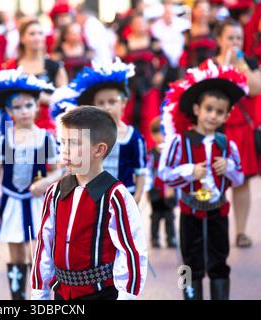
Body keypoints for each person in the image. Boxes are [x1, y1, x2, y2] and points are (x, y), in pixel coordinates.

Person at [31, 106, 148, 300]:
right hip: (61, 293)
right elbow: (44, 245)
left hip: (101, 294)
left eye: (74, 143)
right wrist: (39, 293)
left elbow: (131, 251)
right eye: (63, 142)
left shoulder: (116, 195)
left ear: (99, 149)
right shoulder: (54, 192)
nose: (65, 150)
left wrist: (127, 296)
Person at [159, 59, 247, 300]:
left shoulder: (228, 145)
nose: (213, 116)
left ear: (227, 115)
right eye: (208, 109)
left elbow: (239, 178)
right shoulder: (180, 141)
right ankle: (190, 295)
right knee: (189, 262)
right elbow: (164, 173)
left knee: (219, 259)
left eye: (219, 112)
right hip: (190, 210)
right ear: (197, 109)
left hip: (219, 211)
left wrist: (228, 167)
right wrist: (188, 171)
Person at [0, 69, 62, 300]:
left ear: (38, 106)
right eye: (17, 107)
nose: (24, 111)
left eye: (28, 105)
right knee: (16, 253)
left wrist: (46, 182)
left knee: (38, 253)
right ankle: (17, 298)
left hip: (37, 203)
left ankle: (40, 297)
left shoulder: (46, 138)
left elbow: (60, 170)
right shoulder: (2, 139)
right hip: (10, 202)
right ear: (8, 111)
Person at [67, 59, 148, 204]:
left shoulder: (133, 137)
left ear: (123, 103)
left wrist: (137, 198)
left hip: (123, 197)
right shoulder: (86, 134)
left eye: (112, 102)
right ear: (93, 105)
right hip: (92, 197)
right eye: (101, 103)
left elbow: (140, 171)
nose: (107, 107)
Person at [213, 19, 261, 248]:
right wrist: (226, 65)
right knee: (215, 181)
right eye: (230, 37)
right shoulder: (210, 64)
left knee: (241, 182)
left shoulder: (250, 63)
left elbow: (255, 88)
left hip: (242, 130)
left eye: (239, 38)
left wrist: (240, 64)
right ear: (220, 40)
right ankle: (217, 230)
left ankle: (241, 232)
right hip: (216, 129)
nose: (235, 42)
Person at [3, 18, 68, 134]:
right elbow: (2, 99)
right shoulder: (11, 67)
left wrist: (44, 98)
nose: (37, 37)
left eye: (40, 33)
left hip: (50, 129)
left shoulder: (55, 66)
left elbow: (66, 101)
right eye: (32, 34)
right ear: (22, 38)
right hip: (18, 129)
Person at [117, 13, 168, 149]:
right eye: (137, 23)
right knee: (127, 117)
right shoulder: (124, 42)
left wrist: (160, 74)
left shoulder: (153, 41)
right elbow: (118, 63)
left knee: (150, 118)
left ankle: (151, 149)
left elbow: (163, 61)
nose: (140, 26)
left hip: (149, 85)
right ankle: (127, 147)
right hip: (130, 86)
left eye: (142, 23)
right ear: (131, 26)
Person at [147, 117, 177, 249]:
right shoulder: (151, 154)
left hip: (169, 190)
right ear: (153, 135)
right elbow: (148, 171)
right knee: (155, 216)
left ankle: (171, 238)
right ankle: (155, 239)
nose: (162, 136)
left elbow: (175, 170)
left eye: (165, 132)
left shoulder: (172, 153)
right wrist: (148, 189)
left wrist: (173, 187)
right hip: (156, 190)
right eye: (159, 132)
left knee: (169, 216)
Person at [179, 0, 217, 70]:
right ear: (194, 11)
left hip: (212, 70)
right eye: (200, 10)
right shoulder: (187, 32)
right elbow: (183, 57)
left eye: (205, 10)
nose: (203, 13)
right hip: (192, 71)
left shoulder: (214, 29)